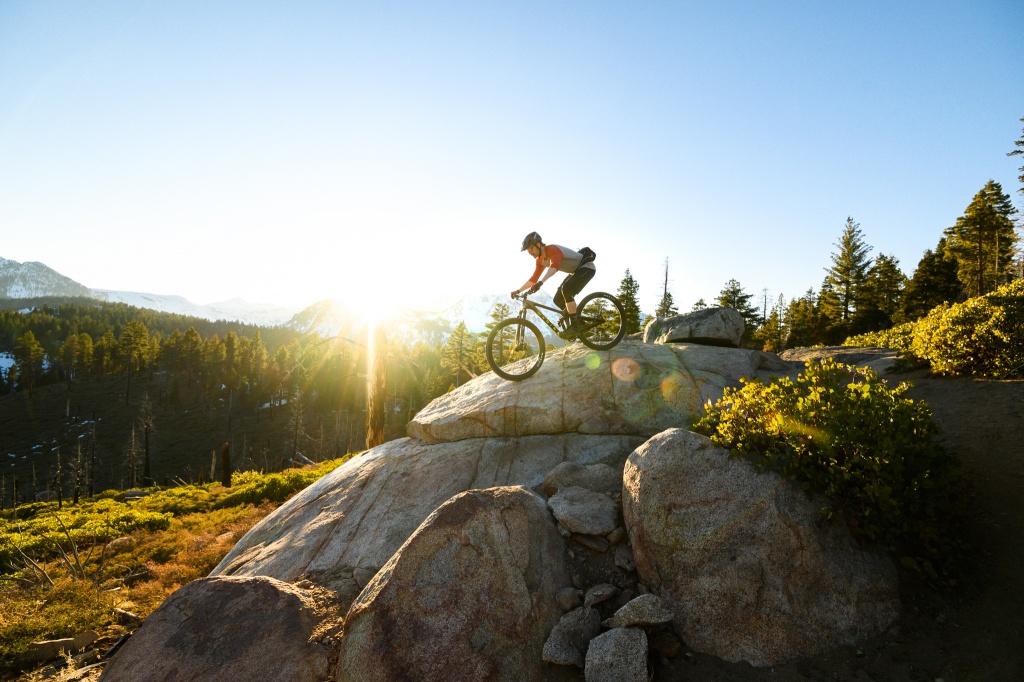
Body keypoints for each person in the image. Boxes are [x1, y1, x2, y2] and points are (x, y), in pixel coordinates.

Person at [511, 231, 596, 339]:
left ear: (538, 244)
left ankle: (574, 326)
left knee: (566, 290)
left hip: (587, 268)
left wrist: (541, 283)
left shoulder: (552, 249)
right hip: (576, 271)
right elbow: (533, 279)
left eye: (531, 248)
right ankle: (581, 324)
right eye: (528, 251)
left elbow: (554, 266)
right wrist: (518, 291)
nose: (530, 252)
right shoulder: (540, 260)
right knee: (557, 300)